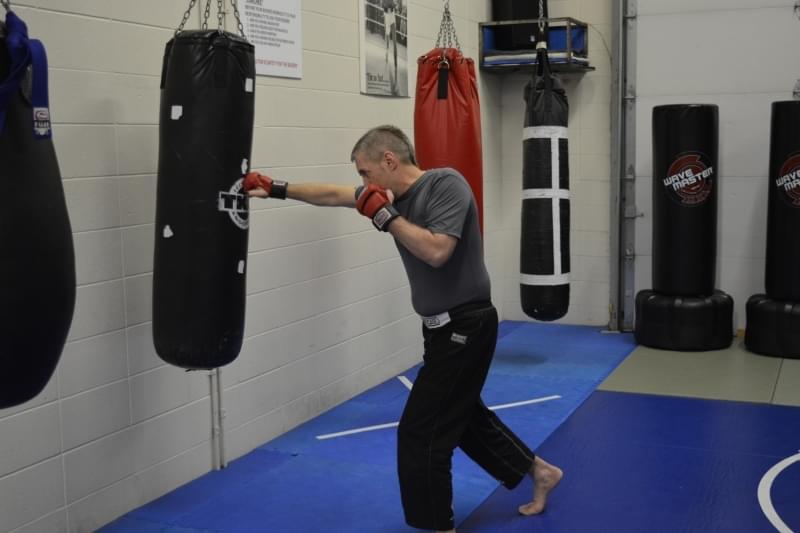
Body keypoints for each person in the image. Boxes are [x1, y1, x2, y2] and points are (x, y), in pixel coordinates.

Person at [244, 125, 562, 532]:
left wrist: (385, 215)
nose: (363, 184)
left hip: (468, 323)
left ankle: (435, 525)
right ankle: (539, 472)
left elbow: (435, 251)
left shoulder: (446, 184)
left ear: (389, 161)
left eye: (365, 173)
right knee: (462, 417)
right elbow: (330, 194)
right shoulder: (387, 197)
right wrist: (275, 188)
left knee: (421, 434)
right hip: (439, 331)